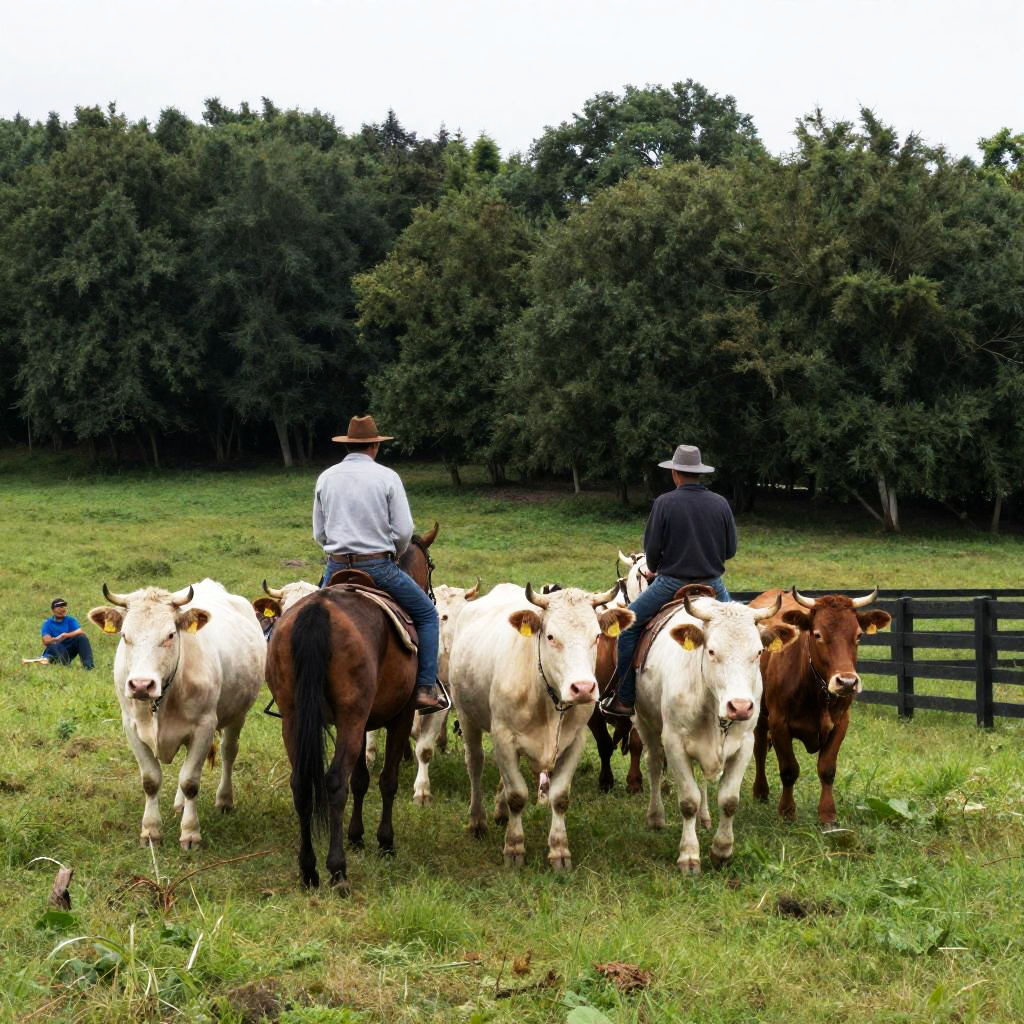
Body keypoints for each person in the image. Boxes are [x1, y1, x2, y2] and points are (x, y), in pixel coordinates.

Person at [312, 414, 447, 714]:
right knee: (427, 614)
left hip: (336, 568)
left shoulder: (325, 478)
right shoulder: (387, 477)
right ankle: (426, 687)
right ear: (375, 446)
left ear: (348, 446)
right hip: (378, 567)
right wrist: (394, 554)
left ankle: (293, 687)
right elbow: (403, 531)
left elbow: (319, 533)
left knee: (306, 616)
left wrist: (337, 550)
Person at [601, 444, 737, 718]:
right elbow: (730, 550)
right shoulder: (721, 503)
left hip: (671, 583)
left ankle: (625, 698)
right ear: (699, 473)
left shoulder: (664, 503)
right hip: (714, 584)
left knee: (628, 628)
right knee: (740, 632)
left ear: (675, 473)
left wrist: (655, 568)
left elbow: (651, 553)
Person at [23, 598, 95, 669]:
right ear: (53, 610)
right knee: (55, 645)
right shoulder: (48, 623)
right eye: (59, 607)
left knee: (82, 637)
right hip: (56, 648)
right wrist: (56, 639)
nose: (62, 609)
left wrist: (65, 635)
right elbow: (46, 641)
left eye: (63, 607)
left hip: (69, 649)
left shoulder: (70, 620)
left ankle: (89, 666)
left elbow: (80, 631)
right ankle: (47, 660)